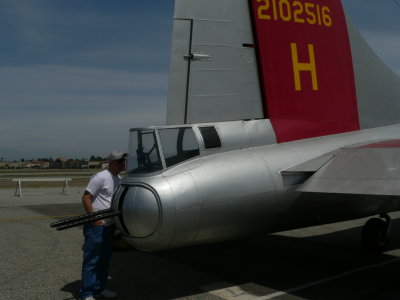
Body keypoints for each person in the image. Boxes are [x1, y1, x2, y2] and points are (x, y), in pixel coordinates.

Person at [79, 150, 127, 300]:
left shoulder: (118, 179)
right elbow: (86, 197)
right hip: (96, 226)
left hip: (109, 226)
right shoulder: (100, 177)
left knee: (105, 259)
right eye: (120, 161)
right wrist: (93, 218)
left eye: (123, 161)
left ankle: (101, 287)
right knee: (92, 259)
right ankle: (87, 293)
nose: (123, 164)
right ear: (112, 163)